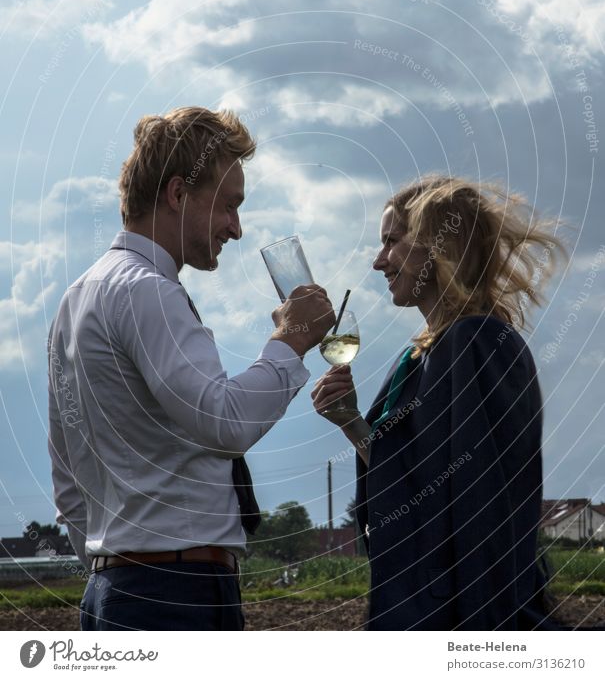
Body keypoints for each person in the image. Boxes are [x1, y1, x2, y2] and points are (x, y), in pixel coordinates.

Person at [47, 106, 334, 631]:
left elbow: (67, 475)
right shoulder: (148, 291)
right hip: (177, 592)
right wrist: (291, 340)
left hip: (114, 591)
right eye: (229, 206)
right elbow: (223, 418)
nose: (237, 228)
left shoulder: (75, 299)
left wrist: (115, 562)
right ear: (179, 195)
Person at [312, 175, 565, 630]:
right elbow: (416, 475)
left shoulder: (479, 342)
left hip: (455, 613)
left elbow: (475, 502)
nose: (378, 261)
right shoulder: (418, 355)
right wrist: (349, 421)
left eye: (391, 241)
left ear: (437, 246)